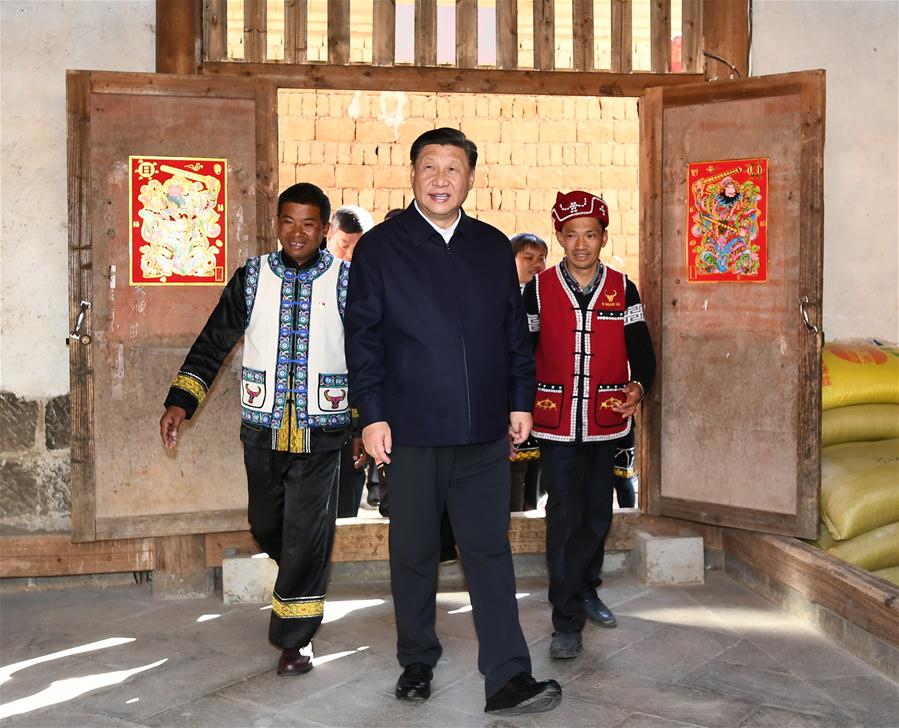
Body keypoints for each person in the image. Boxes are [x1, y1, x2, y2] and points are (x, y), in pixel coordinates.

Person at [345, 128, 562, 716]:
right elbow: (363, 340)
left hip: (483, 433)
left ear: (470, 178)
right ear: (413, 173)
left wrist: (520, 401)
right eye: (430, 166)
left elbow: (514, 334)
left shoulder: (490, 247)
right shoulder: (381, 248)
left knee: (489, 551)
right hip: (410, 431)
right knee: (414, 552)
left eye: (453, 168)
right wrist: (371, 415)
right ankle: (417, 659)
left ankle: (508, 676)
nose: (440, 179)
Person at [159, 183, 363, 677]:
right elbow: (214, 341)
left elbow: (366, 356)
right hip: (262, 426)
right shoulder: (252, 277)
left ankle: (295, 640)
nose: (297, 233)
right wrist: (181, 402)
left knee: (307, 532)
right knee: (266, 524)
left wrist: (363, 423)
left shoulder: (347, 281)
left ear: (324, 229)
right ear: (277, 224)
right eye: (288, 221)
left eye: (309, 224)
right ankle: (300, 573)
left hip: (323, 428)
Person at [523, 190, 655, 660]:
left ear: (603, 237)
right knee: (564, 516)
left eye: (591, 234)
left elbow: (641, 349)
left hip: (606, 419)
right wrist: (517, 406)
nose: (582, 244)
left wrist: (638, 387)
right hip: (555, 422)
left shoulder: (623, 288)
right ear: (560, 237)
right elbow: (522, 353)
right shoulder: (538, 290)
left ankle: (586, 588)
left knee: (598, 513)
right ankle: (566, 620)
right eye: (572, 234)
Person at [325, 204, 376, 518]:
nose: (349, 256)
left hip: (354, 407)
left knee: (346, 503)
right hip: (314, 415)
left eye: (358, 248)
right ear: (329, 234)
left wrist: (362, 425)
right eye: (344, 245)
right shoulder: (310, 278)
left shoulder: (371, 284)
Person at [508, 233, 549, 511]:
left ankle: (531, 510)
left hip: (542, 395)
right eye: (528, 258)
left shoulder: (549, 296)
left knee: (537, 468)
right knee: (514, 468)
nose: (537, 264)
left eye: (541, 258)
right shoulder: (503, 296)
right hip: (512, 395)